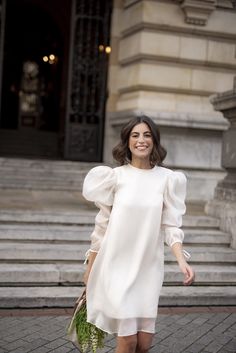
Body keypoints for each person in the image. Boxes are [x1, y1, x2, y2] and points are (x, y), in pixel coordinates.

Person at [82, 115, 195, 353]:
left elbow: (171, 226)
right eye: (135, 135)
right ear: (127, 141)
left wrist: (181, 260)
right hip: (117, 266)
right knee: (128, 341)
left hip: (148, 269)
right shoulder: (115, 177)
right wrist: (90, 267)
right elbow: (101, 227)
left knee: (143, 345)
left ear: (154, 141)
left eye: (147, 135)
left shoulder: (167, 179)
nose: (141, 140)